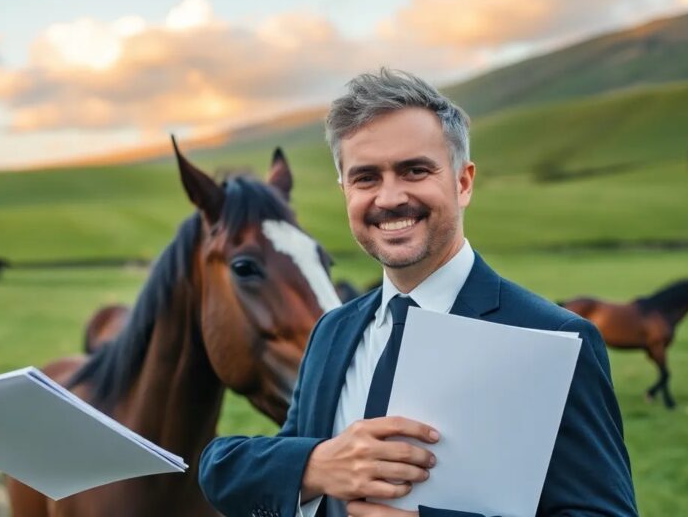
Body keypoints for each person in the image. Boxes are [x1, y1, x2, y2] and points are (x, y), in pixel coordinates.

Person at [198, 69, 637, 517]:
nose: (389, 198)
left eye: (414, 170)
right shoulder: (332, 331)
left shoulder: (554, 339)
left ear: (463, 182)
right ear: (345, 190)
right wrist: (314, 465)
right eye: (366, 178)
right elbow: (259, 458)